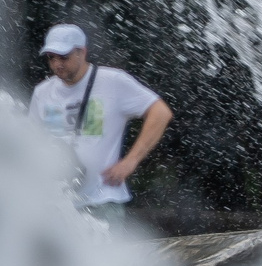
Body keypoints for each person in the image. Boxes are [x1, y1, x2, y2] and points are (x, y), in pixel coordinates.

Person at [27, 24, 173, 223]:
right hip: (58, 206)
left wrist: (131, 161)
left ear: (82, 52)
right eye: (51, 58)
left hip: (102, 202)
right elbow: (31, 141)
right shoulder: (42, 92)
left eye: (64, 57)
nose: (57, 64)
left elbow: (160, 112)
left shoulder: (112, 81)